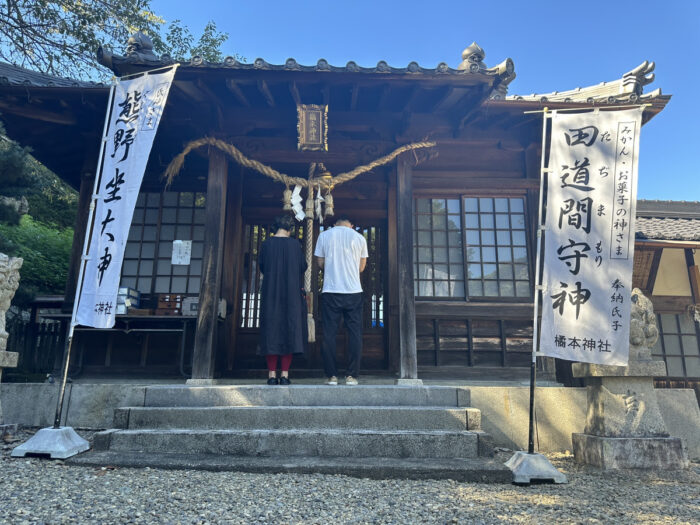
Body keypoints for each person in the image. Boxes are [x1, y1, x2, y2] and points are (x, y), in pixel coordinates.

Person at [314, 216, 368, 385]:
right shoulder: (359, 238)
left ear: (335, 224)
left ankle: (331, 376)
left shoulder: (324, 236)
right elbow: (361, 267)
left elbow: (320, 263)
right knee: (354, 334)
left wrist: (331, 267)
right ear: (351, 225)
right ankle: (352, 375)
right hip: (353, 290)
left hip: (331, 289)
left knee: (329, 333)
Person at [258, 214, 308, 385]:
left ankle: (271, 375)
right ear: (289, 229)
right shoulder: (295, 245)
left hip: (270, 293)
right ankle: (285, 375)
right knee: (290, 331)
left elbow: (262, 267)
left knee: (270, 331)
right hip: (291, 294)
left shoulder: (266, 245)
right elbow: (303, 266)